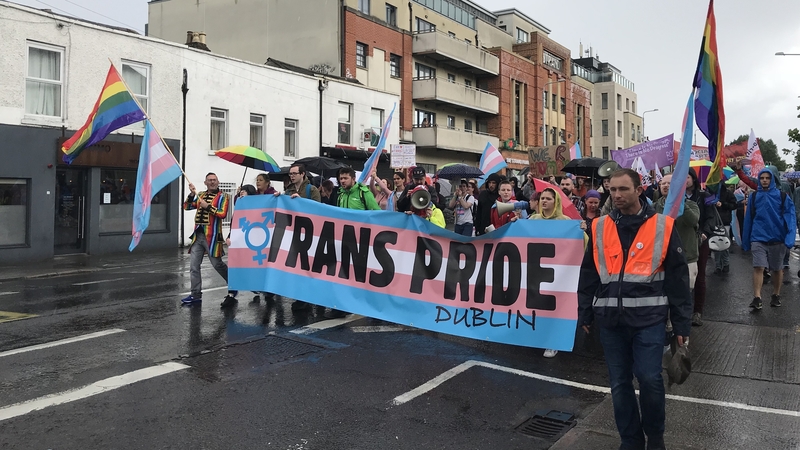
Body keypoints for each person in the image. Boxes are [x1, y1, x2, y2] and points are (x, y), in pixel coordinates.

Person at [578, 169, 692, 450]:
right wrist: (585, 310)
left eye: (623, 189)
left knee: (650, 378)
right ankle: (630, 441)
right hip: (610, 320)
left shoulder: (663, 226)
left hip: (649, 320)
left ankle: (655, 438)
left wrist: (681, 325)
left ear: (639, 190)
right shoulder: (600, 226)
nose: (616, 195)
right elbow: (589, 273)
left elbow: (678, 279)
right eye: (612, 190)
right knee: (619, 384)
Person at [530, 186, 583, 359]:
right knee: (537, 305)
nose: (544, 201)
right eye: (542, 198)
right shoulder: (533, 219)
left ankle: (554, 342)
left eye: (548, 199)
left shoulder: (565, 221)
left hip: (558, 273)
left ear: (556, 202)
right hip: (536, 272)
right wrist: (516, 225)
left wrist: (581, 232)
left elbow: (581, 245)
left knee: (554, 307)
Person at [742, 168, 797, 309]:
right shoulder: (754, 197)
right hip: (758, 237)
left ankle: (776, 294)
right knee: (758, 267)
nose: (764, 180)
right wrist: (746, 240)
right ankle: (757, 297)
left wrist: (789, 238)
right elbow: (748, 219)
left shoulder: (783, 196)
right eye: (762, 178)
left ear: (772, 179)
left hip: (777, 239)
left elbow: (791, 218)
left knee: (777, 269)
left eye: (767, 178)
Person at [182, 172, 239, 308]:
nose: (212, 182)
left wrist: (207, 206)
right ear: (205, 182)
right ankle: (195, 295)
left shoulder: (224, 196)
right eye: (210, 180)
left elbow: (222, 213)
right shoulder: (200, 195)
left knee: (217, 265)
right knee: (193, 267)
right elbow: (186, 207)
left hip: (213, 236)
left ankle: (234, 284)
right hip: (198, 235)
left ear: (218, 182)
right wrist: (191, 194)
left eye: (214, 180)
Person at [654, 174, 701, 325]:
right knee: (664, 293)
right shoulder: (654, 207)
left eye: (670, 183)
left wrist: (680, 202)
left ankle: (682, 330)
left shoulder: (691, 205)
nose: (666, 186)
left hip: (687, 257)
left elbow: (693, 220)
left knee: (684, 294)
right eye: (663, 183)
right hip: (662, 257)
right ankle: (667, 325)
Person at [686, 167, 716, 325]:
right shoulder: (675, 196)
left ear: (693, 179)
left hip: (699, 241)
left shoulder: (704, 196)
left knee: (699, 276)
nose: (685, 180)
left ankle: (697, 311)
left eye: (688, 177)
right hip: (681, 241)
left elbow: (711, 217)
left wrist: (705, 233)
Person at [713, 183, 737, 274]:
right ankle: (718, 265)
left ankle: (726, 263)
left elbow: (734, 205)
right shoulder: (711, 193)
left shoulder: (728, 193)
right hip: (714, 221)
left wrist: (723, 204)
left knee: (724, 243)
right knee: (715, 244)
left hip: (725, 221)